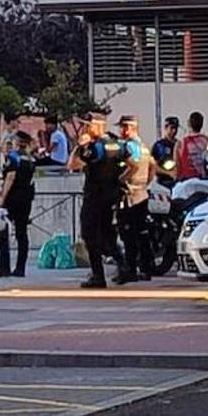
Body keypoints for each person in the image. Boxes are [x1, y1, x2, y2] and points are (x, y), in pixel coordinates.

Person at [69, 112, 128, 288]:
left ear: (96, 126)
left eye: (87, 125)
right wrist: (119, 181)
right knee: (107, 233)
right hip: (111, 195)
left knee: (89, 234)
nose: (85, 128)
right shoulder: (115, 143)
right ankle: (122, 264)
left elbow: (72, 165)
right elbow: (131, 163)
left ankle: (98, 275)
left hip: (94, 196)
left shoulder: (94, 147)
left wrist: (78, 147)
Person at [115, 115, 155, 283]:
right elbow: (153, 166)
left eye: (123, 127)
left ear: (129, 128)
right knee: (142, 233)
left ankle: (130, 269)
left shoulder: (130, 146)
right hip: (142, 194)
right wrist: (145, 183)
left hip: (130, 196)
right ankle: (146, 268)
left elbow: (135, 166)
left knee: (128, 234)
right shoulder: (144, 146)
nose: (120, 131)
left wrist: (121, 179)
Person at [0, 131, 36, 278]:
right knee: (21, 233)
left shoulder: (13, 158)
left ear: (17, 142)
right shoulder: (30, 159)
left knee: (3, 230)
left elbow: (10, 178)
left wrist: (2, 199)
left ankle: (4, 267)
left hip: (12, 199)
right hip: (26, 199)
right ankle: (20, 268)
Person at [175, 111, 208, 180]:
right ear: (202, 124)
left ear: (189, 123)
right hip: (203, 179)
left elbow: (177, 166)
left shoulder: (180, 143)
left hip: (187, 180)